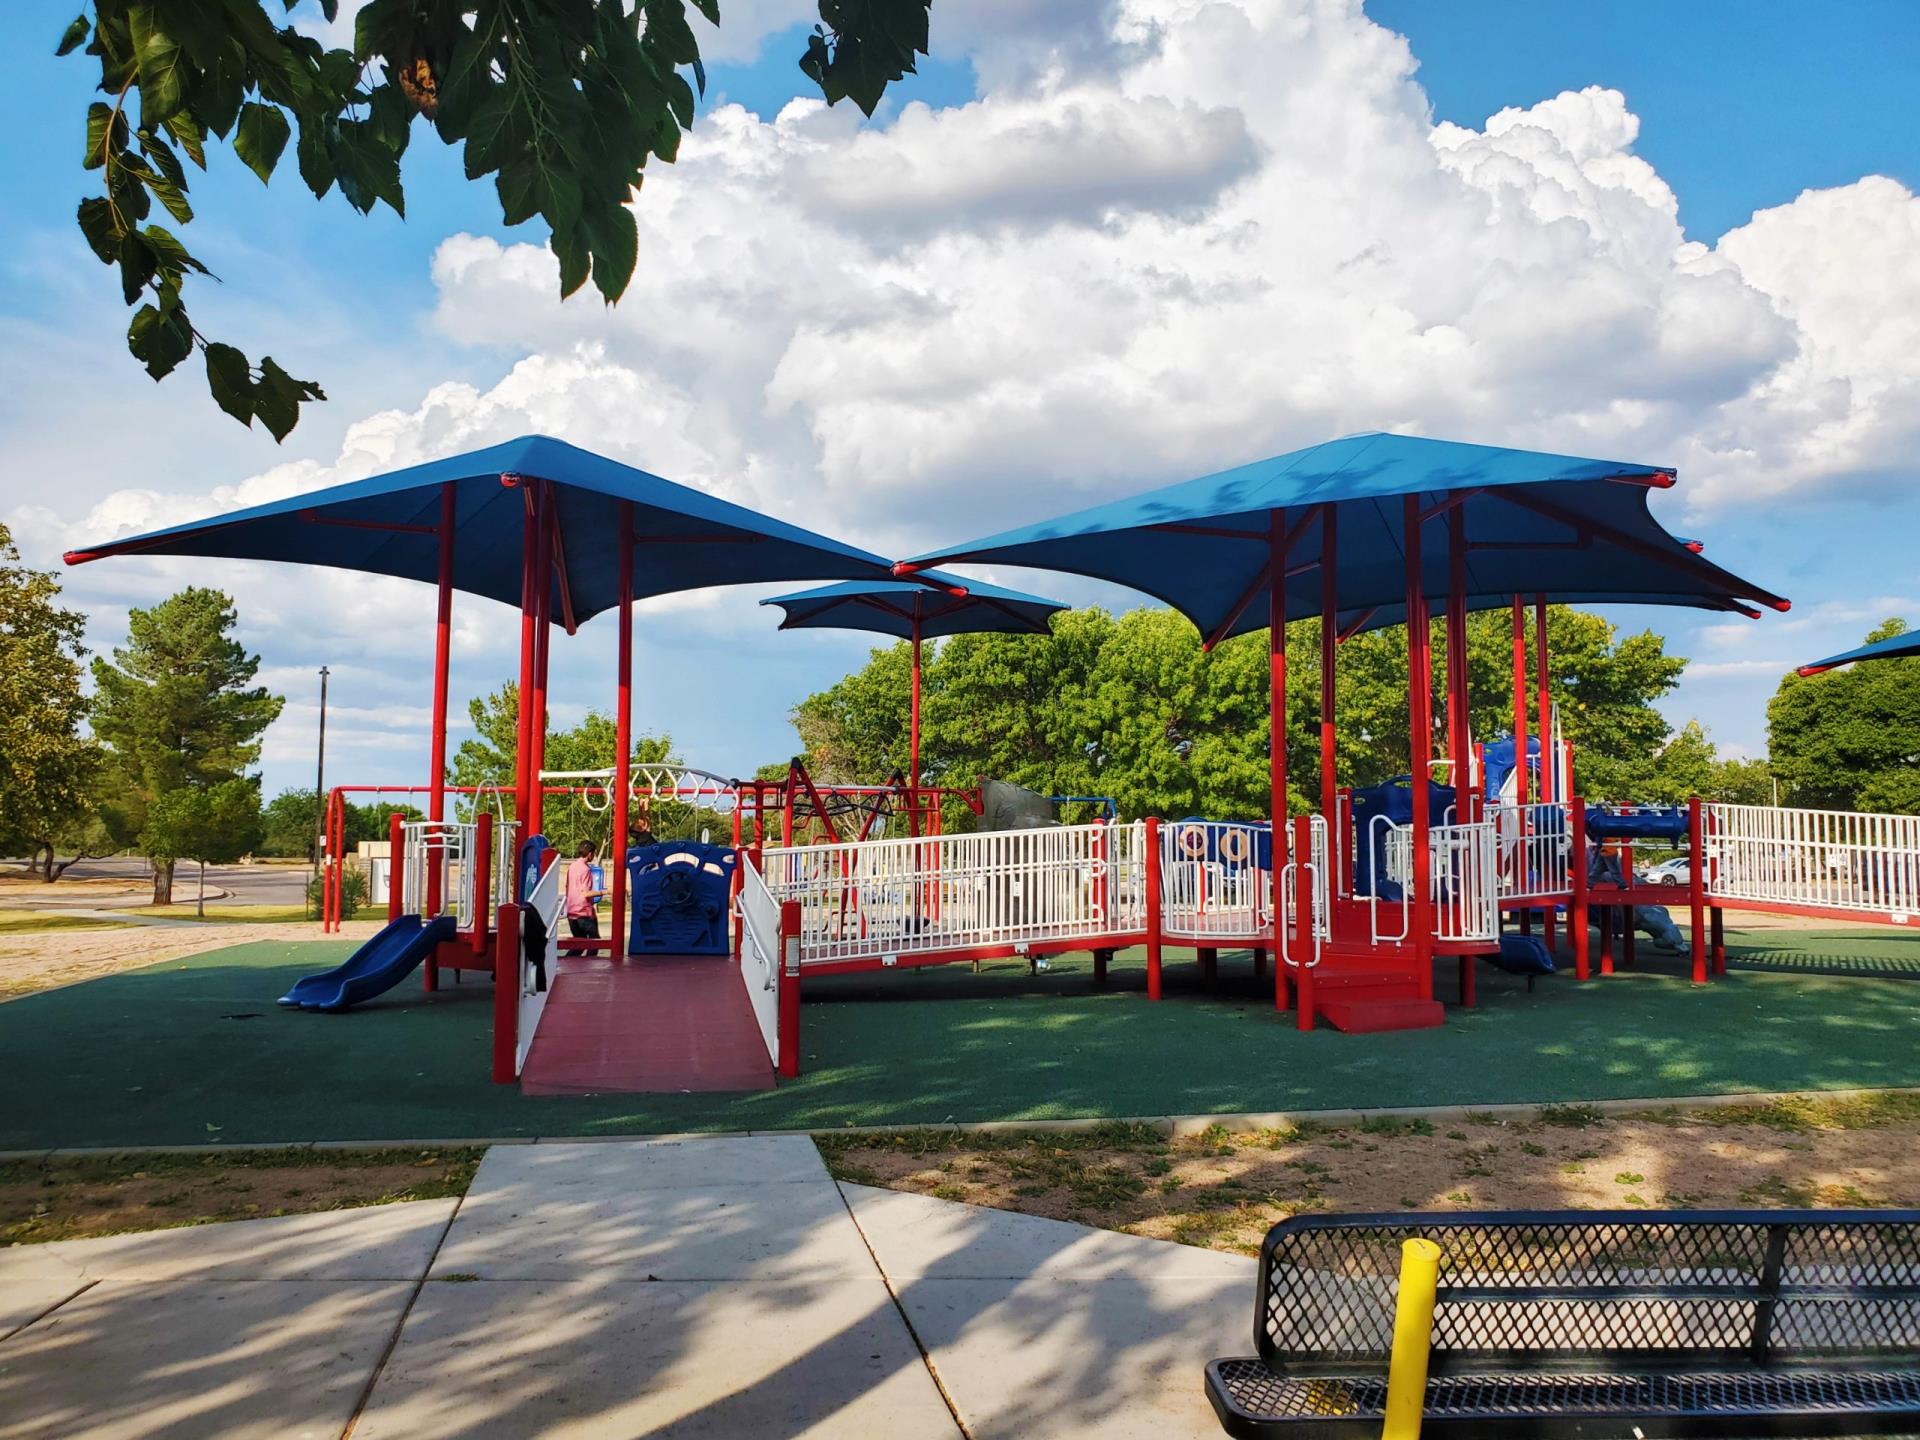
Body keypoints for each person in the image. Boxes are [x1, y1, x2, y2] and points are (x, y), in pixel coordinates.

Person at [563, 841, 606, 939]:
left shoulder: (572, 866)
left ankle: (569, 955)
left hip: (572, 912)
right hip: (583, 913)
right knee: (594, 942)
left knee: (579, 946)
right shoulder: (585, 869)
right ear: (590, 854)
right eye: (594, 853)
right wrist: (604, 892)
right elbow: (585, 893)